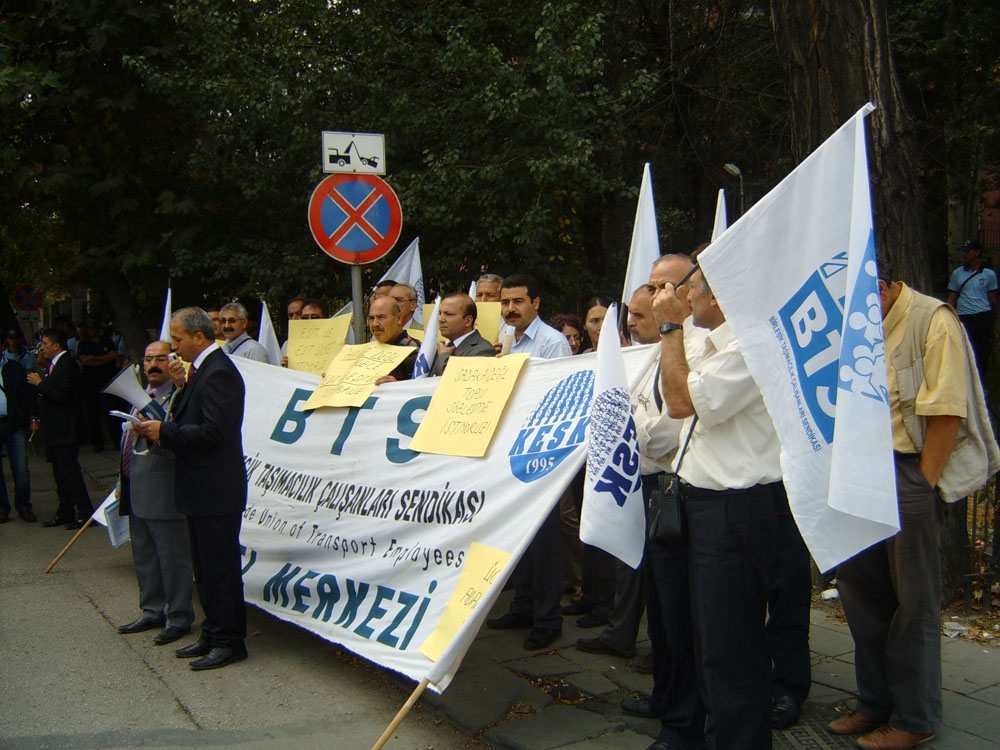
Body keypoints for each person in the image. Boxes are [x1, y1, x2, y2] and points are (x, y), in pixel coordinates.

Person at [830, 270, 977, 749]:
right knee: (861, 594)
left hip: (905, 471)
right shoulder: (852, 322)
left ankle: (916, 716)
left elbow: (948, 410)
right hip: (859, 471)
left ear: (886, 284)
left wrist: (924, 484)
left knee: (914, 604)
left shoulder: (932, 319)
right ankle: (874, 703)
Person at [652, 264, 781, 749]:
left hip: (735, 509)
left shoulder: (750, 345)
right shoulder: (708, 343)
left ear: (719, 298)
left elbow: (682, 401)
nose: (684, 297)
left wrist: (669, 329)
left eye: (692, 289)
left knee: (732, 649)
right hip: (701, 502)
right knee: (707, 643)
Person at [134, 307, 249, 671]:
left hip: (216, 490)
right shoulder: (199, 372)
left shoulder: (219, 373)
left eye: (178, 340)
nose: (173, 348)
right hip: (200, 489)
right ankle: (212, 631)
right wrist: (180, 393)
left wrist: (163, 432)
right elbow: (193, 416)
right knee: (205, 568)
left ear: (200, 338)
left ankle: (230, 640)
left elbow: (214, 432)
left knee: (221, 568)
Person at [576, 285, 662, 661]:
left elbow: (669, 422)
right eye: (629, 319)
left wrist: (628, 436)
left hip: (660, 482)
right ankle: (621, 632)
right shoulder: (636, 359)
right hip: (634, 476)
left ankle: (665, 652)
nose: (631, 325)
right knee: (629, 563)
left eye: (640, 317)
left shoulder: (676, 356)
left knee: (658, 576)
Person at [487, 274, 571, 650]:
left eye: (518, 302)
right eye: (505, 303)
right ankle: (522, 605)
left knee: (545, 541)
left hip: (541, 451)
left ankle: (547, 618)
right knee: (518, 534)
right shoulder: (507, 339)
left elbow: (561, 395)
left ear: (536, 303)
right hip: (510, 448)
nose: (509, 309)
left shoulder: (551, 343)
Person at [116, 340, 195, 646]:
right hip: (137, 485)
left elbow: (178, 441)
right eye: (148, 358)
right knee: (145, 555)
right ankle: (151, 610)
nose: (153, 365)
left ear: (172, 362)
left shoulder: (178, 396)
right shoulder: (140, 396)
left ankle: (178, 616)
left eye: (160, 359)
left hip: (164, 489)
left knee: (173, 558)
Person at [28, 328, 96, 530]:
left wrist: (40, 384)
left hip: (66, 429)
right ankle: (65, 511)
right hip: (55, 429)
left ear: (56, 345)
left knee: (69, 471)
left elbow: (60, 395)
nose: (42, 348)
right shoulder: (54, 365)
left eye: (45, 344)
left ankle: (85, 512)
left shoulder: (67, 364)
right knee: (59, 472)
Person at [0, 329, 39, 523]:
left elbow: (27, 396)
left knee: (21, 468)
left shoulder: (14, 368)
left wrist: (33, 418)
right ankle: (1, 507)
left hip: (13, 423)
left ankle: (24, 506)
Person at [946, 238, 997, 380]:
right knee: (964, 349)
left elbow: (992, 299)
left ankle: (980, 381)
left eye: (968, 252)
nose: (965, 255)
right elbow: (952, 297)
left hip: (982, 315)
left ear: (977, 253)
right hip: (964, 316)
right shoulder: (957, 273)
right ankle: (964, 379)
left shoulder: (988, 275)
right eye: (964, 252)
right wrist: (948, 315)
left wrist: (993, 324)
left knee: (982, 351)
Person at [76, 319, 120, 452]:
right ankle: (98, 443)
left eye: (94, 328)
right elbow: (85, 361)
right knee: (92, 415)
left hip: (107, 381)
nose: (92, 331)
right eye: (89, 328)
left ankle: (116, 441)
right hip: (90, 383)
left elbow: (113, 356)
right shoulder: (83, 344)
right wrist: (103, 358)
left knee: (111, 413)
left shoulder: (107, 341)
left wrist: (95, 358)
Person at [430, 293, 496, 376]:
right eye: (440, 313)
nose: (441, 319)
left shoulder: (483, 350)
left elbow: (457, 381)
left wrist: (443, 356)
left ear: (468, 321)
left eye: (448, 314)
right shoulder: (442, 347)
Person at [368, 296, 420, 384]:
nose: (375, 324)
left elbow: (422, 388)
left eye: (381, 317)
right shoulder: (367, 351)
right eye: (371, 318)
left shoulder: (412, 350)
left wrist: (397, 386)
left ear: (399, 318)